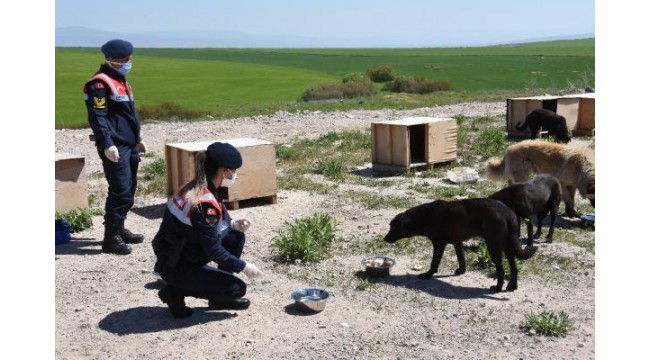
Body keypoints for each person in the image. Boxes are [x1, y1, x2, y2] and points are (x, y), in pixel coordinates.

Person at [152, 142, 264, 318]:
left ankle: (218, 299)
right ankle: (174, 291)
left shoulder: (197, 185)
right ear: (223, 170)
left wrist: (232, 224)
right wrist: (244, 267)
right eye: (233, 170)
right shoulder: (203, 203)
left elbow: (206, 226)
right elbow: (214, 250)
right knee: (237, 288)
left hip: (181, 251)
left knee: (235, 236)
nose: (234, 174)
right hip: (176, 264)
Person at [83, 39, 146, 255]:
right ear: (113, 60)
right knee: (120, 191)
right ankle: (110, 238)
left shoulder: (121, 80)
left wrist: (137, 137)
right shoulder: (99, 84)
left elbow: (127, 115)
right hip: (115, 146)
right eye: (126, 60)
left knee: (129, 189)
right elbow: (98, 117)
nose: (130, 62)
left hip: (129, 144)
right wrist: (107, 144)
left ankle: (120, 228)